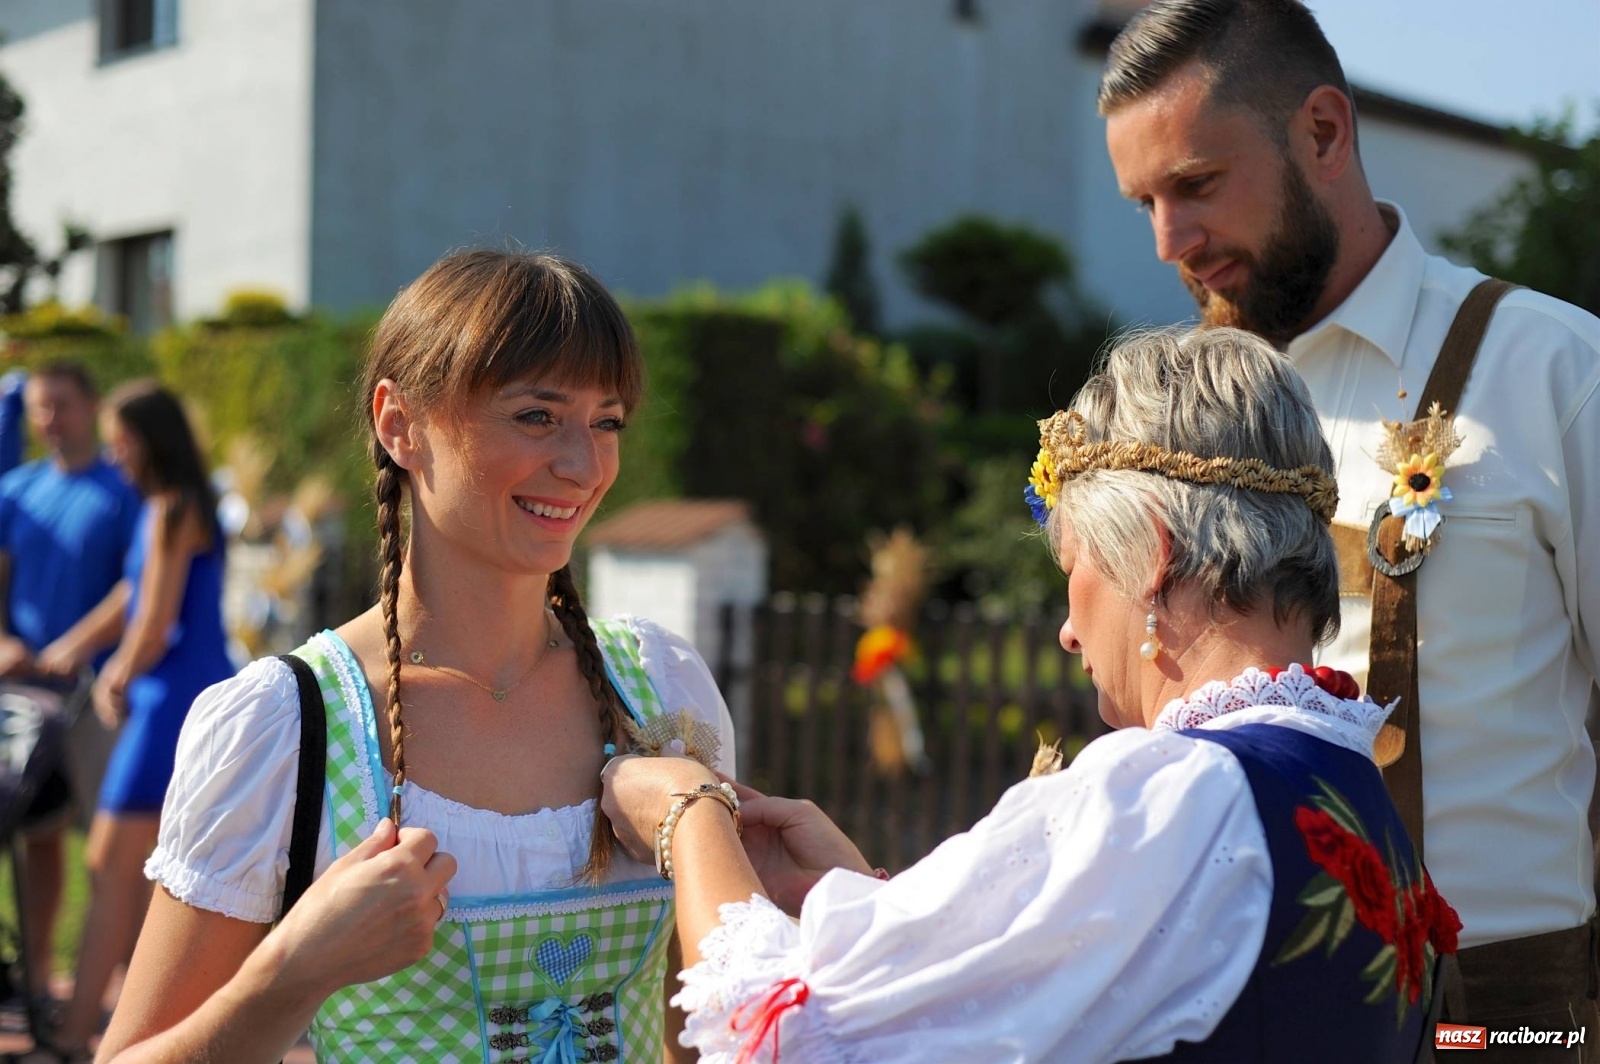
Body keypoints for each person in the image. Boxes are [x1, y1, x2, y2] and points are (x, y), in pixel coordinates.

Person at [599, 327, 1461, 1063]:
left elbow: (787, 1037)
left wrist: (692, 817)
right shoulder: (1340, 778)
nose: (1069, 631)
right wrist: (859, 889)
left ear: (1151, 557)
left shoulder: (1173, 793)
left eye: (1075, 572)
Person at [1096, 0, 1600, 1043]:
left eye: (1193, 185)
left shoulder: (1555, 371)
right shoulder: (1170, 414)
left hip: (1503, 1021)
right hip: (1228, 1006)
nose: (1167, 242)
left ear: (1323, 132)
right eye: (1142, 201)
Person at [95, 250, 736, 1064]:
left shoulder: (662, 693)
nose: (584, 465)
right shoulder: (288, 725)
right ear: (399, 423)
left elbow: (704, 1037)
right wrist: (296, 971)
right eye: (537, 416)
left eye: (606, 421)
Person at [22, 381, 236, 1059]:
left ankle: (80, 1038)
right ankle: (141, 1033)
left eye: (121, 436)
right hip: (173, 695)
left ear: (148, 439)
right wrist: (76, 649)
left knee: (111, 861)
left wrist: (114, 675)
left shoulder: (172, 509)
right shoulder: (167, 508)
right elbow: (131, 595)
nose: (114, 450)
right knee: (147, 874)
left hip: (170, 702)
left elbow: (155, 620)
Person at [0, 363, 142, 1007]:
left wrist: (73, 647)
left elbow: (139, 584)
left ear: (90, 406)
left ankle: (129, 994)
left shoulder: (123, 491)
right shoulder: (17, 491)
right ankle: (38, 982)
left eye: (59, 405)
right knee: (38, 838)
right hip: (25, 694)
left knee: (113, 846)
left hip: (98, 695)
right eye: (37, 408)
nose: (48, 419)